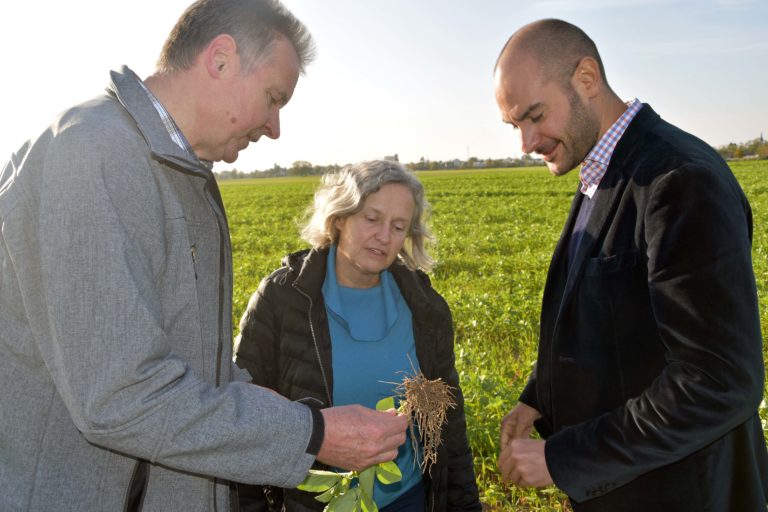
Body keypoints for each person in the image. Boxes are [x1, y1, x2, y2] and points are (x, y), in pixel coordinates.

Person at [0, 1, 408, 510]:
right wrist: (311, 433)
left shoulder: (180, 171)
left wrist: (271, 408)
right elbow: (121, 396)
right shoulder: (93, 152)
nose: (274, 127)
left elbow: (186, 361)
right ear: (220, 59)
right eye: (273, 98)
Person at [493, 18, 768, 511]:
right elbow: (614, 323)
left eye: (535, 115)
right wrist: (539, 396)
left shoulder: (678, 180)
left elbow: (718, 382)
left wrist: (564, 458)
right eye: (516, 125)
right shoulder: (605, 170)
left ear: (586, 78)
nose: (526, 142)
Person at [234, 160, 482, 511]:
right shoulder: (283, 297)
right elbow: (243, 409)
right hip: (314, 502)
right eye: (372, 219)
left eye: (399, 226)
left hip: (408, 499)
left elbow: (448, 426)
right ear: (339, 218)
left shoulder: (425, 307)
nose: (384, 236)